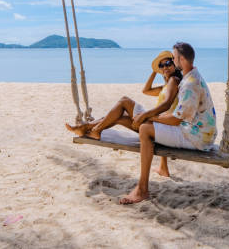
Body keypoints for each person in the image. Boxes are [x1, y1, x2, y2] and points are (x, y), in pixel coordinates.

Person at [119, 42, 217, 205]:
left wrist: (149, 117)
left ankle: (142, 189)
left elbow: (176, 119)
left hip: (197, 137)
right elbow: (177, 114)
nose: (171, 60)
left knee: (145, 129)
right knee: (147, 123)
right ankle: (156, 172)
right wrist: (152, 116)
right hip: (197, 130)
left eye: (173, 58)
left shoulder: (190, 84)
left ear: (182, 60)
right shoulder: (191, 76)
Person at [65, 50, 182, 177]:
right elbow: (146, 90)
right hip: (160, 124)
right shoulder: (166, 86)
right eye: (161, 65)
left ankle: (91, 128)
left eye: (168, 63)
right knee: (119, 116)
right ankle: (89, 128)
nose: (165, 67)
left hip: (161, 125)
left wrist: (145, 115)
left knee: (124, 101)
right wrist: (155, 70)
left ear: (174, 64)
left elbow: (166, 105)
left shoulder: (174, 80)